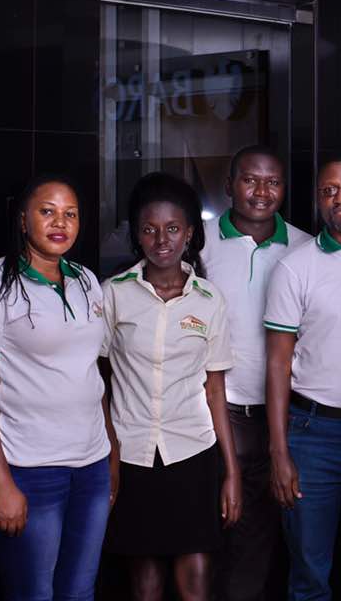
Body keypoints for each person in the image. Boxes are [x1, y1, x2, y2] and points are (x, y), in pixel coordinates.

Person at [0, 174, 113, 601]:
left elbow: (91, 376)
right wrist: (0, 482)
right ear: (23, 220)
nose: (60, 222)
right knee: (33, 594)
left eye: (70, 214)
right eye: (47, 211)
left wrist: (110, 456)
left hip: (91, 467)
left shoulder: (86, 281)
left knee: (80, 591)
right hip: (27, 469)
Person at [101, 172, 242, 601]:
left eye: (173, 228)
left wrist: (231, 472)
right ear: (136, 235)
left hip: (193, 453)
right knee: (145, 584)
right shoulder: (114, 294)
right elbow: (96, 382)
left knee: (195, 581)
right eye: (149, 229)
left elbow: (215, 389)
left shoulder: (209, 300)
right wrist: (110, 452)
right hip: (133, 455)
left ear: (190, 233)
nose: (161, 240)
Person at [265, 156, 341, 600]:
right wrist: (279, 451)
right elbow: (277, 365)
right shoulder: (295, 266)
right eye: (329, 190)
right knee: (309, 572)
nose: (340, 198)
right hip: (312, 433)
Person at [199, 145, 311, 600]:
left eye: (273, 182)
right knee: (207, 535)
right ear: (229, 186)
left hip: (284, 417)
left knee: (261, 541)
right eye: (250, 180)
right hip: (213, 414)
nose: (261, 192)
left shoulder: (304, 247)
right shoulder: (198, 242)